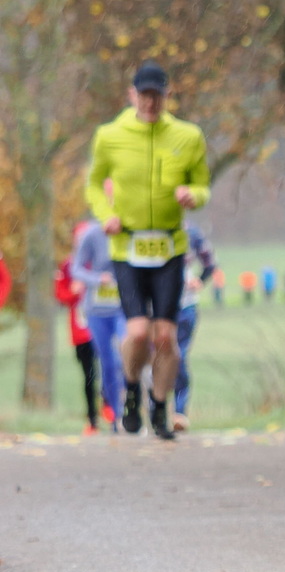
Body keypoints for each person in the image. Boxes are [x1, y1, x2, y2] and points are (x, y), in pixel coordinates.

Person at [84, 61, 210, 440]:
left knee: (166, 337)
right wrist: (106, 215)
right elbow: (94, 185)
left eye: (157, 95)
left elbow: (202, 186)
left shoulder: (189, 136)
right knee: (138, 332)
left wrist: (193, 195)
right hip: (128, 247)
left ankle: (159, 406)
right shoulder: (110, 136)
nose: (150, 102)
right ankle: (131, 390)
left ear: (168, 95)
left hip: (170, 248)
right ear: (132, 95)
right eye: (144, 95)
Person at [70, 217, 123, 427]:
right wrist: (97, 279)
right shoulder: (91, 235)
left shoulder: (130, 230)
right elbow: (75, 269)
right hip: (96, 310)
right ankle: (115, 415)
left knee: (123, 355)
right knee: (107, 363)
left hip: (123, 307)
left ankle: (131, 407)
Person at [170, 225, 217, 431]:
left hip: (186, 306)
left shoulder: (191, 233)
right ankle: (156, 409)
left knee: (179, 357)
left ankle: (179, 412)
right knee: (157, 358)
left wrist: (200, 280)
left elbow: (211, 262)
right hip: (157, 307)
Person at [51, 252, 99, 433]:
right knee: (89, 374)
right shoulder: (68, 265)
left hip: (103, 325)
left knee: (110, 367)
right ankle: (92, 420)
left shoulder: (103, 261)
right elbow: (60, 293)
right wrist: (73, 292)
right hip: (81, 329)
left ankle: (113, 410)